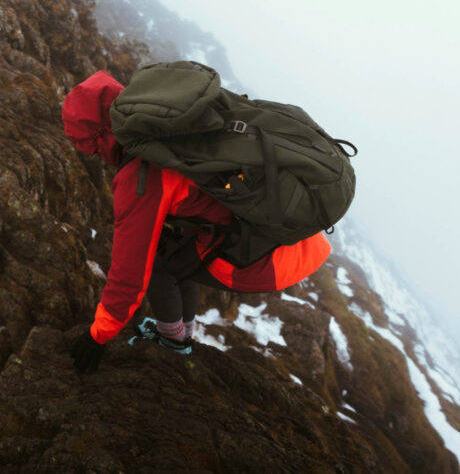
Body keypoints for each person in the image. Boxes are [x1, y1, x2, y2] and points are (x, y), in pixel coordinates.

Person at [63, 71, 332, 373]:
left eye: (89, 145)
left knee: (156, 261)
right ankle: (183, 332)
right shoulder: (170, 123)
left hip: (269, 256)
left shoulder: (140, 175)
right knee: (176, 242)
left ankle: (174, 343)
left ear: (98, 137)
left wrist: (97, 336)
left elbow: (129, 275)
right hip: (297, 236)